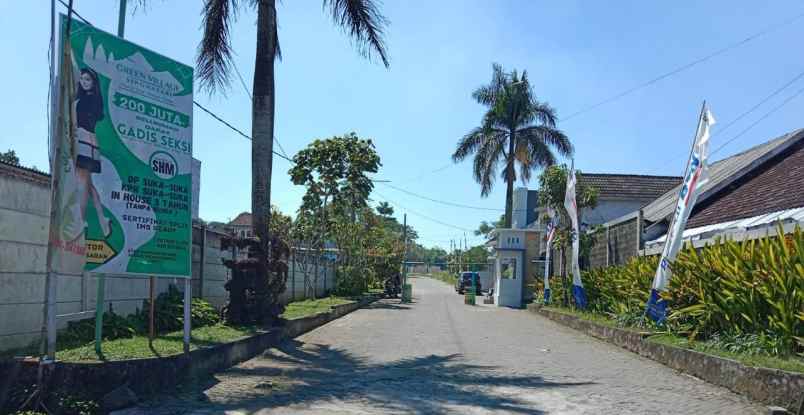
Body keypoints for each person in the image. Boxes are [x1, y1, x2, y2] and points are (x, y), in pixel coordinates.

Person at [73, 67, 110, 238]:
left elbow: (77, 122)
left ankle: (81, 221)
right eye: (82, 78)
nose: (83, 81)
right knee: (87, 183)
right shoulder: (93, 100)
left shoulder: (86, 100)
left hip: (83, 141)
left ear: (93, 83)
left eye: (87, 79)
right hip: (90, 142)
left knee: (82, 183)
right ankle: (102, 220)